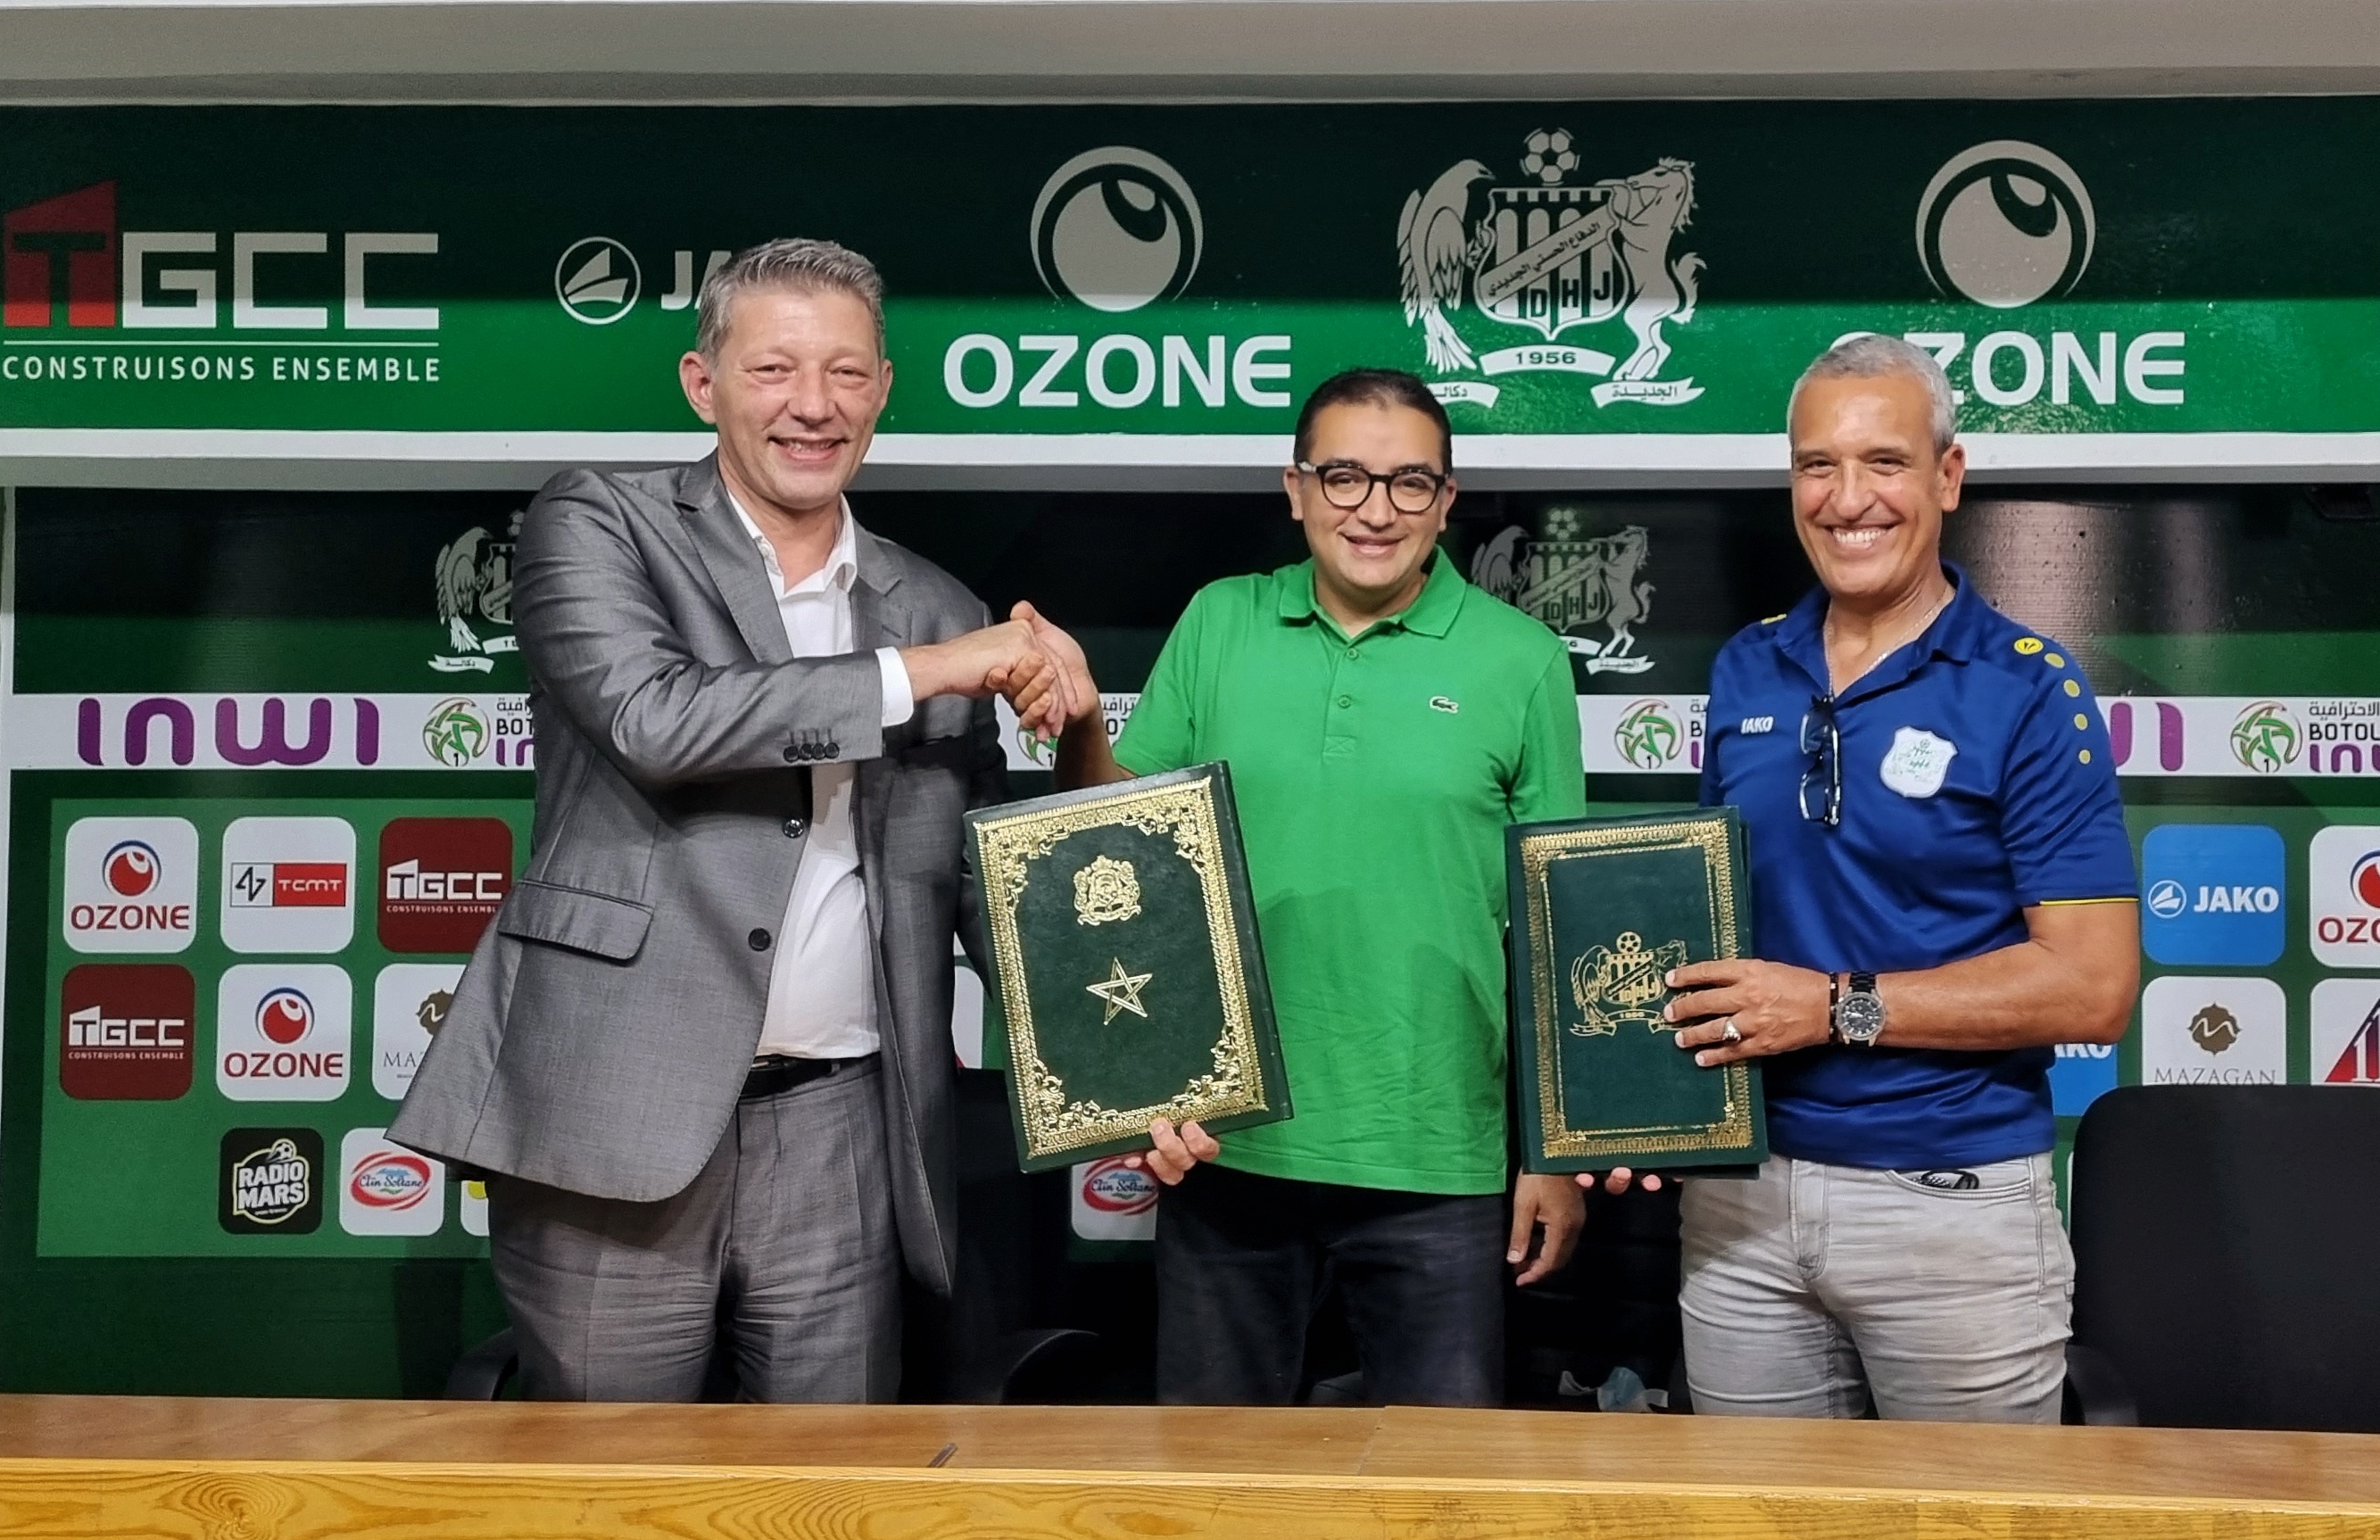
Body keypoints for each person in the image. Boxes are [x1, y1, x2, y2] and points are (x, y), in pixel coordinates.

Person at [391, 238, 1068, 1403]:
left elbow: (982, 886)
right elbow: (656, 719)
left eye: (846, 373)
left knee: (822, 1482)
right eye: (774, 369)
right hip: (615, 1109)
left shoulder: (934, 603)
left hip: (846, 1126)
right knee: (608, 1474)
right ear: (703, 384)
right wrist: (925, 671)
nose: (814, 404)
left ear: (883, 390)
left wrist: (1138, 1076)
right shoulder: (600, 523)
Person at [1596, 334, 2139, 1422]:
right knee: (1759, 1512)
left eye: (1885, 462)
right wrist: (1638, 1107)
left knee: (1973, 1515)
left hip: (1951, 1204)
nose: (1848, 500)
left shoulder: (2030, 689)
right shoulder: (1746, 666)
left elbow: (2093, 987)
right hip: (1741, 1207)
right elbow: (1713, 929)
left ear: (1947, 475)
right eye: (1818, 465)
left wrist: (1834, 1006)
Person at [1025, 368, 1588, 1406]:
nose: (1375, 509)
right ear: (1296, 490)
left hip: (1439, 1160)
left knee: (1439, 1482)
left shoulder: (1523, 660)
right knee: (1217, 1474)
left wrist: (1555, 1153)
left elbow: (1561, 927)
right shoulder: (1220, 621)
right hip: (1229, 1151)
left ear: (1446, 501)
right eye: (1344, 477)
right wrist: (1082, 723)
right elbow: (1111, 845)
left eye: (1409, 482)